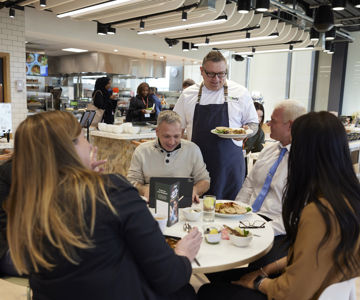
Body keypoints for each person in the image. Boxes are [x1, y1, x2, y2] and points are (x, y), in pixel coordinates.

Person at [5, 111, 202, 300]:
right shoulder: (113, 192)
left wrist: (86, 178)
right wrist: (183, 254)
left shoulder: (27, 204)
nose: (90, 146)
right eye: (83, 138)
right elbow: (169, 277)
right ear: (68, 149)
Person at [198, 111, 360, 300]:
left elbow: (292, 291)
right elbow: (304, 258)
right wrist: (266, 271)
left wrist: (259, 282)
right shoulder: (347, 198)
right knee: (223, 276)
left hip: (295, 292)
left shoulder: (318, 213)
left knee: (208, 291)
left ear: (307, 152)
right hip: (320, 287)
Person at [205, 100, 306, 283]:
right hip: (249, 218)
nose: (266, 124)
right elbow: (249, 184)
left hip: (277, 230)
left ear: (289, 125)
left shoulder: (304, 161)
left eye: (273, 121)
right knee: (211, 253)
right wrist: (237, 212)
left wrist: (260, 228)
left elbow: (293, 215)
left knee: (237, 268)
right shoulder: (269, 150)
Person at [174, 51, 258, 200]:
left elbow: (253, 124)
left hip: (229, 166)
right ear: (201, 71)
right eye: (211, 74)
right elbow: (176, 127)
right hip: (196, 166)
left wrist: (246, 132)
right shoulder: (188, 94)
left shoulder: (240, 92)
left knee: (229, 210)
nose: (217, 79)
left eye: (221, 74)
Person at [127, 110, 210, 203]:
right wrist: (144, 190)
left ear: (182, 132)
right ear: (157, 132)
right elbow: (131, 182)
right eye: (167, 136)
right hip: (150, 205)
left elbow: (205, 181)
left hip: (185, 205)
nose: (171, 142)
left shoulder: (193, 149)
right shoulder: (142, 151)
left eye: (176, 136)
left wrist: (194, 190)